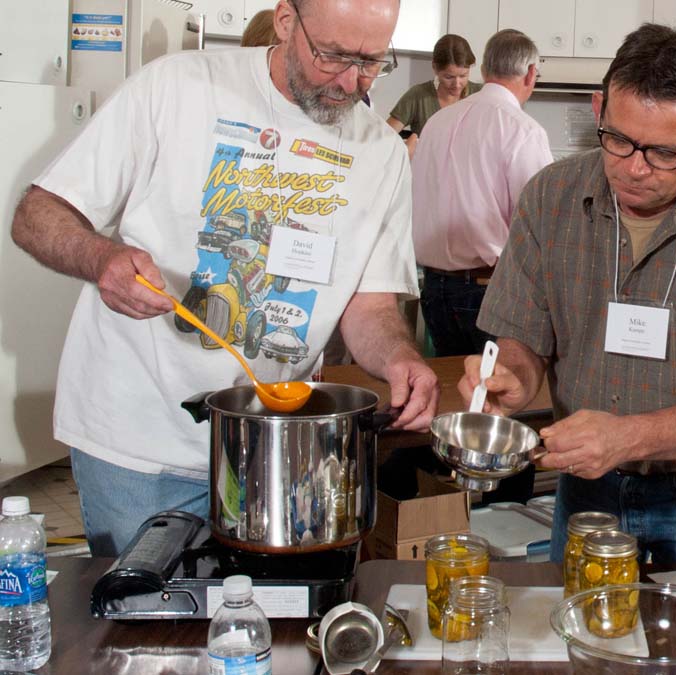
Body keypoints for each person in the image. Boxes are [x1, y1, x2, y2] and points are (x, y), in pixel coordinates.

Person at [9, 0, 438, 558]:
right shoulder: (177, 88)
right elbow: (37, 214)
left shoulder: (380, 153)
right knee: (144, 634)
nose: (351, 82)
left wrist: (400, 358)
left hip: (277, 450)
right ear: (287, 22)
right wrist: (100, 259)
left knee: (272, 633)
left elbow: (369, 304)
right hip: (139, 443)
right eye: (333, 56)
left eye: (372, 62)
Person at [457, 23, 676, 564]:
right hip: (588, 488)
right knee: (579, 637)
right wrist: (512, 378)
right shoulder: (549, 197)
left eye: (664, 153)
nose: (634, 168)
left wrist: (628, 437)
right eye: (617, 140)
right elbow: (521, 336)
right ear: (598, 110)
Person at [410, 28, 551, 504]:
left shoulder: (439, 122)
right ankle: (504, 524)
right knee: (503, 416)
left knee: (453, 414)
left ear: (486, 68)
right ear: (530, 74)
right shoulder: (522, 130)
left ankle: (451, 517)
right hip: (491, 289)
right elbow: (540, 227)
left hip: (435, 288)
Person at [387, 34, 482, 157]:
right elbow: (384, 138)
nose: (457, 84)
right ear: (435, 68)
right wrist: (404, 152)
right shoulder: (418, 96)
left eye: (463, 75)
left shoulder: (482, 95)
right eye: (449, 77)